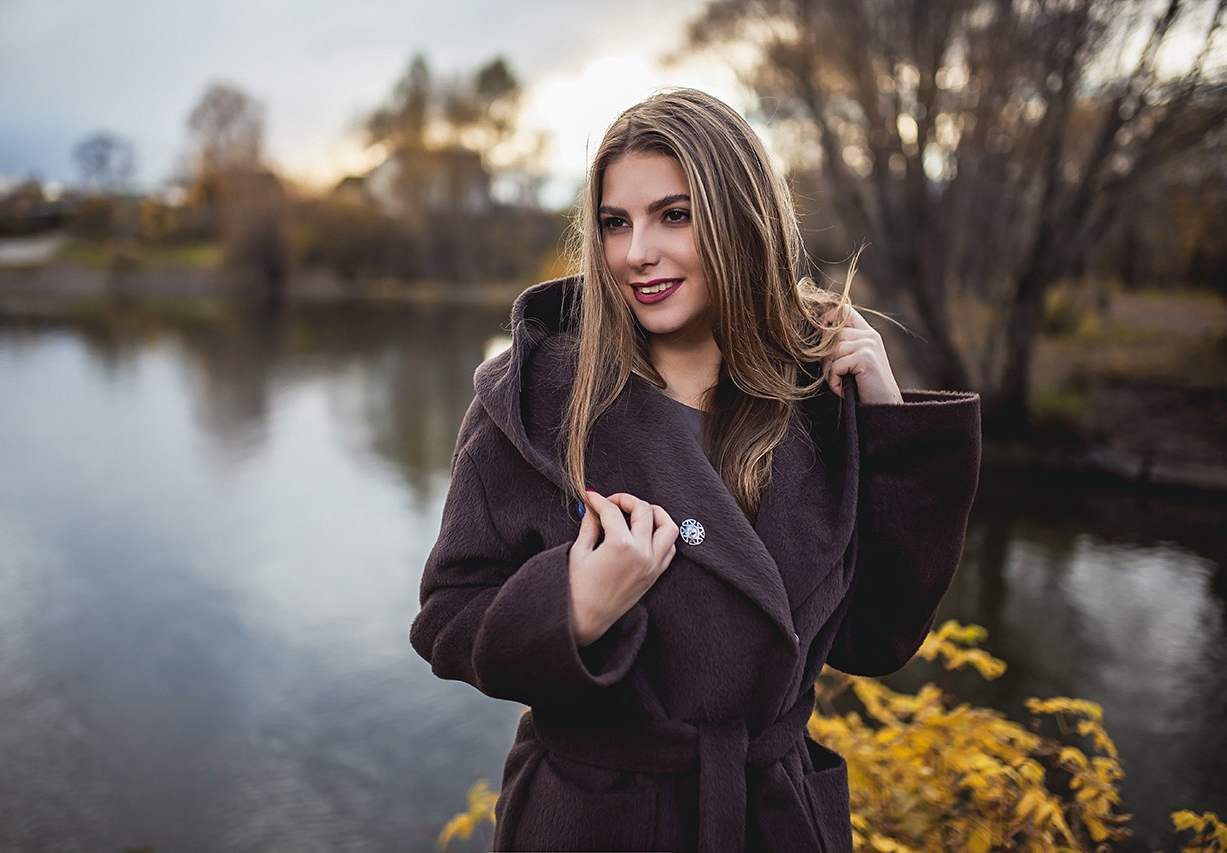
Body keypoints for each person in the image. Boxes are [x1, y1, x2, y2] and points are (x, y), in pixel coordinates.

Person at [410, 88, 981, 853]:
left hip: (773, 820)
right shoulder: (536, 400)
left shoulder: (816, 398)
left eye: (673, 215)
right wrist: (573, 607)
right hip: (590, 824)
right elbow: (447, 618)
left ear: (741, 219)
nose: (636, 251)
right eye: (617, 222)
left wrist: (887, 426)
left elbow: (876, 640)